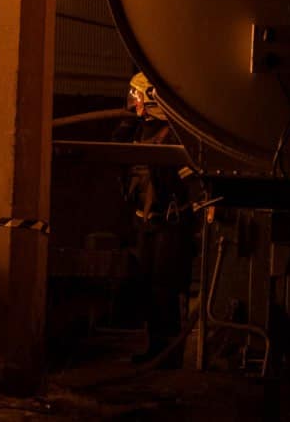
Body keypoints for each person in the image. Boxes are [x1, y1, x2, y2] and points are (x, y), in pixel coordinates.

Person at [110, 71, 200, 367]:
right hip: (144, 222)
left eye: (136, 95)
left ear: (151, 97)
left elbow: (191, 182)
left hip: (170, 225)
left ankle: (168, 355)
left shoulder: (175, 133)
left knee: (165, 288)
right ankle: (154, 349)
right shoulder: (137, 129)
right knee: (147, 285)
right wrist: (125, 125)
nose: (132, 100)